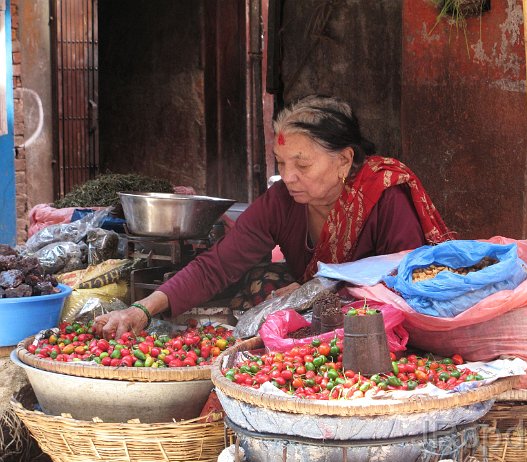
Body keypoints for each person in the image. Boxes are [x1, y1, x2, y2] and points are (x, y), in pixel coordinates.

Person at [94, 95, 454, 338]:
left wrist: (322, 291)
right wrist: (142, 310)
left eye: (302, 164)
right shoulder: (282, 201)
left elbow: (408, 281)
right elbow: (217, 265)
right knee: (260, 288)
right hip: (319, 314)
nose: (289, 176)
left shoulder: (384, 194)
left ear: (344, 159)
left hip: (375, 323)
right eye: (282, 164)